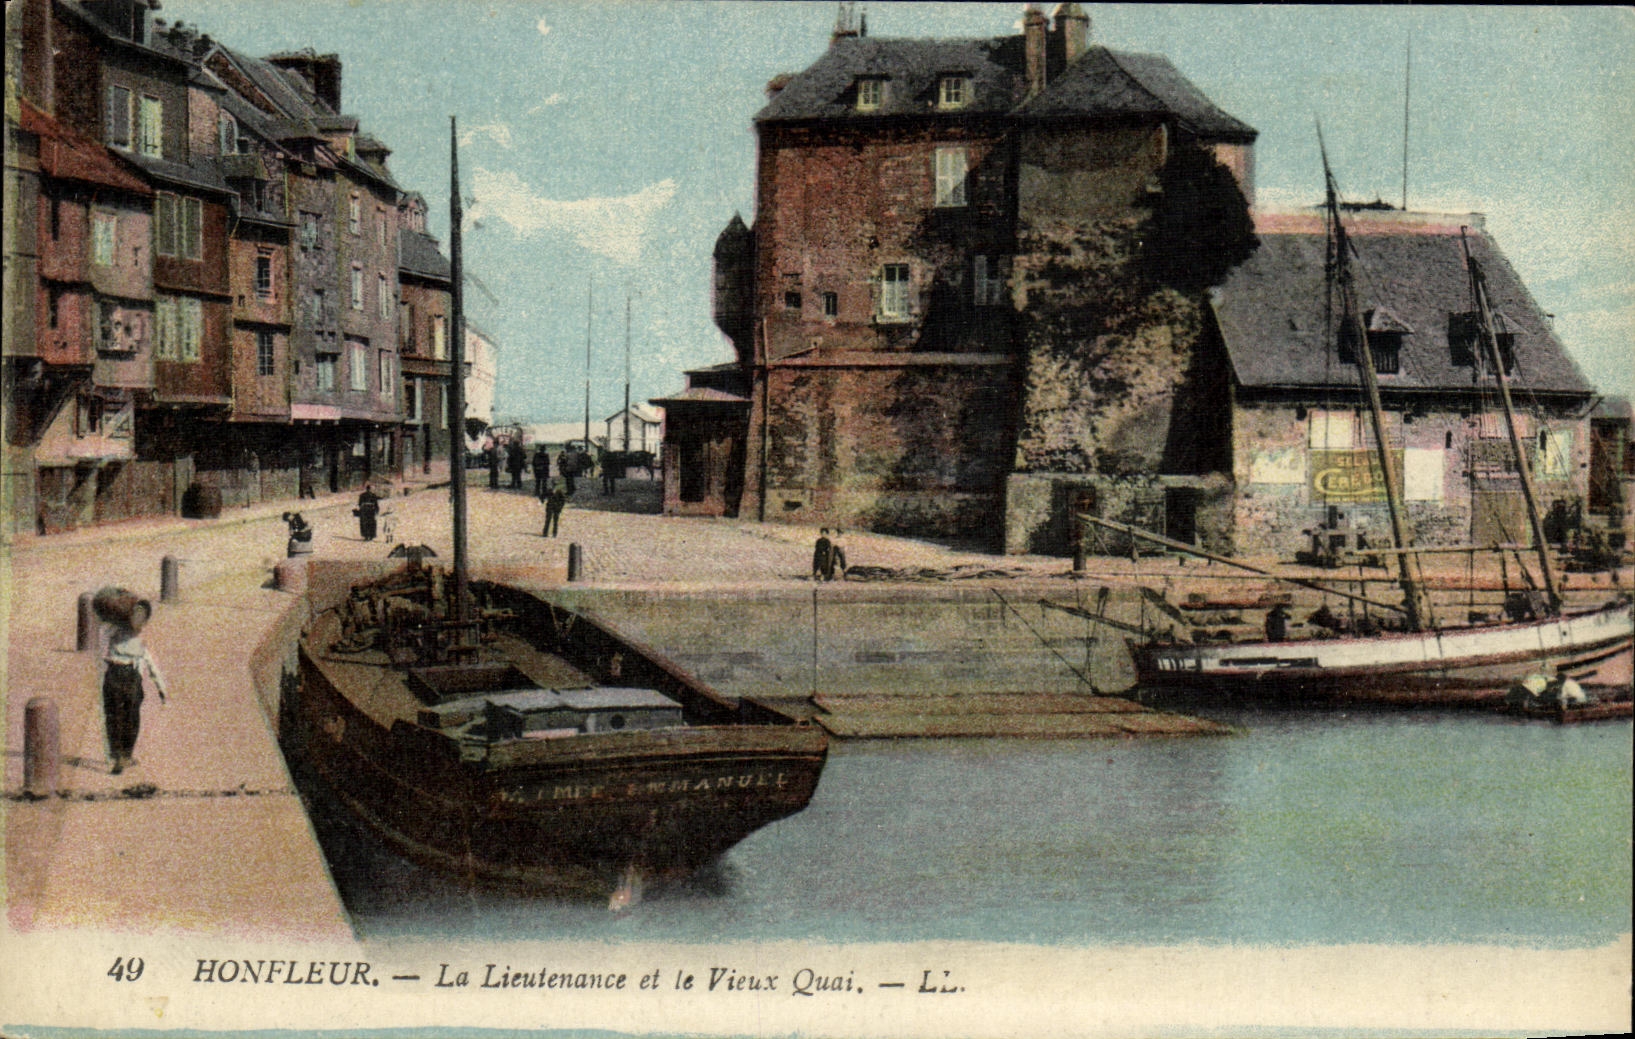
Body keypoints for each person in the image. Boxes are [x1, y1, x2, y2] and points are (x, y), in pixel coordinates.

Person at [101, 598, 167, 775]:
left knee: (112, 715)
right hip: (130, 677)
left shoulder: (113, 632)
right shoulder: (141, 638)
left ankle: (116, 754)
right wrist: (162, 689)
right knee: (131, 718)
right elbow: (151, 664)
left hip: (112, 674)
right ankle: (126, 755)